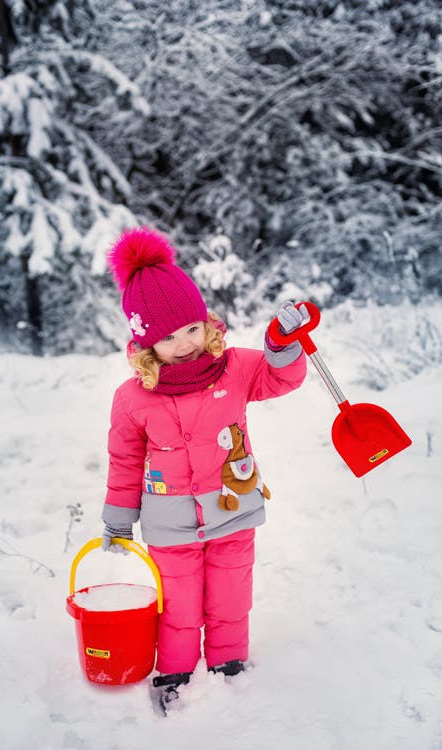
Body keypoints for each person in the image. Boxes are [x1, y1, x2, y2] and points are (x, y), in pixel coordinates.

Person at [101, 226, 308, 714]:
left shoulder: (233, 367)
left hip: (232, 512)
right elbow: (125, 460)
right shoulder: (133, 398)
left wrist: (281, 342)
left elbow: (279, 378)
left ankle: (228, 668)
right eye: (169, 337)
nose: (185, 344)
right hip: (170, 526)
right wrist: (117, 517)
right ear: (146, 342)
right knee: (178, 609)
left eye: (192, 328)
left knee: (231, 600)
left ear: (205, 322)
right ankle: (174, 672)